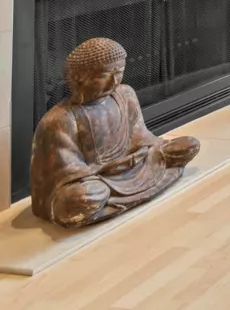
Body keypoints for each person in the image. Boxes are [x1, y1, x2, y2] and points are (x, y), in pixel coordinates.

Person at [30, 38, 200, 228]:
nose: (115, 81)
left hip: (134, 163)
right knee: (84, 198)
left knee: (189, 145)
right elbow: (64, 171)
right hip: (99, 179)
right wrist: (105, 171)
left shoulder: (125, 94)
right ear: (79, 77)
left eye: (119, 72)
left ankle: (117, 200)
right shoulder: (60, 120)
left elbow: (140, 136)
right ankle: (111, 198)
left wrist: (143, 152)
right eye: (105, 75)